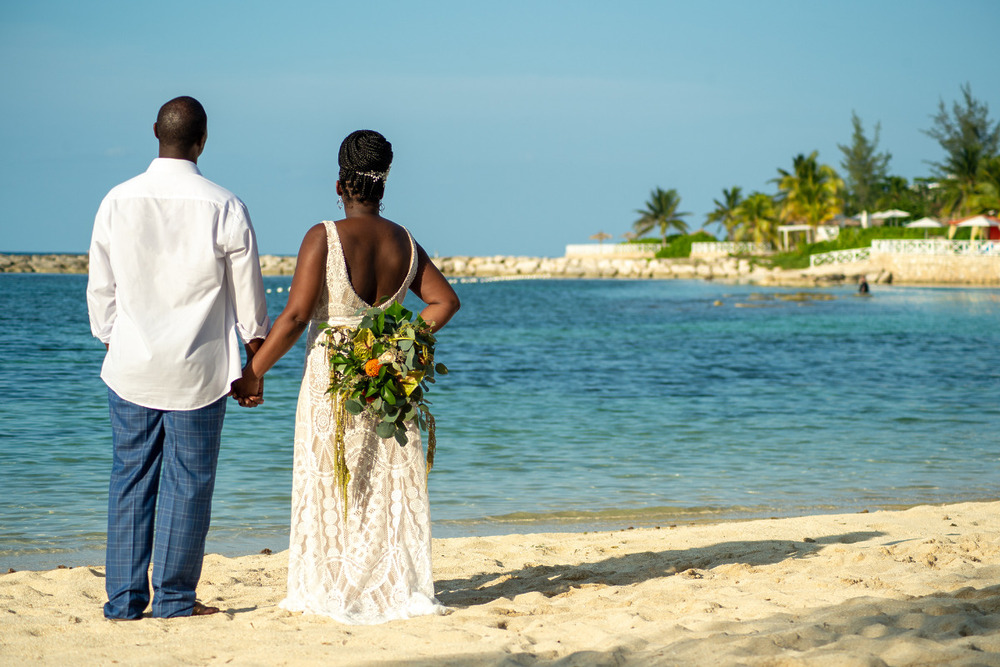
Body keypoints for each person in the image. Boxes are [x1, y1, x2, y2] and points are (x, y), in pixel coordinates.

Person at [231, 130, 460, 623]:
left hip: (331, 377)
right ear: (383, 184)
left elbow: (293, 318)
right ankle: (387, 582)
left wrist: (253, 372)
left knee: (332, 478)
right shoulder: (404, 240)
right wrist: (396, 343)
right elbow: (445, 303)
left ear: (340, 184)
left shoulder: (324, 237)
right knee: (380, 481)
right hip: (388, 377)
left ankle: (333, 583)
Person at [87, 96, 271, 619]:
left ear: (154, 132)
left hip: (132, 366)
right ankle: (173, 599)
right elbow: (248, 299)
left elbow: (102, 290)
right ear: (203, 139)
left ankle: (123, 601)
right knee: (189, 484)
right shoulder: (225, 205)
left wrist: (113, 338)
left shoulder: (116, 200)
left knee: (129, 478)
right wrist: (254, 359)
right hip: (200, 368)